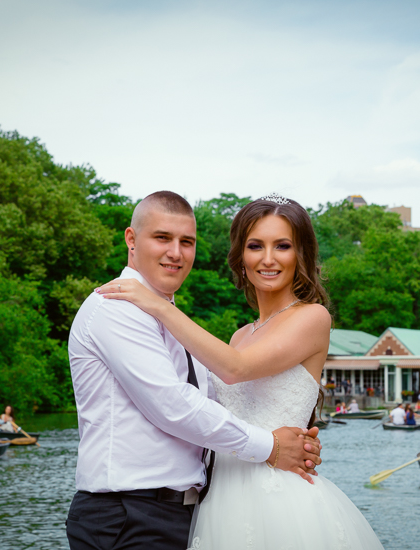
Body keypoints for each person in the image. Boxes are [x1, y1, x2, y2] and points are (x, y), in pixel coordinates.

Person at [96, 193, 383, 549]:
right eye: (255, 246)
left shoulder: (313, 317)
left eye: (282, 246)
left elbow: (235, 369)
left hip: (279, 496)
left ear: (301, 254)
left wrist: (159, 306)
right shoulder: (240, 336)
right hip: (221, 495)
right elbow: (200, 409)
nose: (268, 259)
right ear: (241, 256)